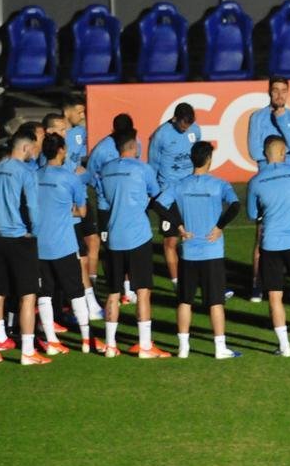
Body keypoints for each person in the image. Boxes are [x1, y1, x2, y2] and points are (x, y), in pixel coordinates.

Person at [0, 131, 50, 365]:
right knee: (27, 296)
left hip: (0, 239)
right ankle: (27, 352)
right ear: (25, 148)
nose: (35, 152)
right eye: (34, 148)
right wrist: (32, 229)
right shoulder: (26, 172)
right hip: (21, 240)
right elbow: (33, 207)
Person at [157, 141, 242, 359]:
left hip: (189, 253)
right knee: (216, 302)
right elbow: (235, 206)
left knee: (185, 301)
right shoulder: (219, 184)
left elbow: (158, 204)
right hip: (212, 252)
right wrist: (219, 227)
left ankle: (183, 348)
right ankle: (220, 347)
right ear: (209, 160)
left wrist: (179, 226)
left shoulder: (179, 185)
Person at [246, 135, 290, 357]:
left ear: (265, 155)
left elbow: (252, 213)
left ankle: (285, 346)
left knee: (275, 296)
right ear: (283, 152)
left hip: (271, 244)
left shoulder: (256, 181)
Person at [100, 129, 169, 358]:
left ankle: (110, 345)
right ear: (133, 146)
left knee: (112, 292)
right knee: (142, 291)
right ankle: (145, 345)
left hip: (114, 237)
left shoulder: (106, 170)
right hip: (138, 237)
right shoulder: (142, 168)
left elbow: (104, 201)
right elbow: (157, 195)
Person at [246, 76, 290, 302]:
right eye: (275, 91)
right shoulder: (258, 117)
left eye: (283, 91)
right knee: (262, 235)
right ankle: (257, 284)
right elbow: (254, 151)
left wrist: (282, 123)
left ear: (288, 93)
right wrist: (277, 161)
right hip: (269, 183)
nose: (279, 95)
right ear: (269, 93)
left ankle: (289, 282)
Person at [35, 133, 96, 355]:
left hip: (40, 246)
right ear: (61, 150)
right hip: (64, 245)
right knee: (76, 292)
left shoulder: (35, 175)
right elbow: (82, 211)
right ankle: (86, 339)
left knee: (45, 293)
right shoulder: (70, 178)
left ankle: (51, 340)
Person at [148, 102, 202, 287]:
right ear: (174, 119)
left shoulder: (195, 130)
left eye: (189, 124)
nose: (186, 128)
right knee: (171, 240)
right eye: (183, 125)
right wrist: (155, 193)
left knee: (194, 235)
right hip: (168, 193)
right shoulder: (161, 135)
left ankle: (199, 277)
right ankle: (177, 282)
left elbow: (198, 159)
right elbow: (153, 165)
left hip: (189, 191)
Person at [88, 113, 140, 304]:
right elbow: (92, 175)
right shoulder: (102, 150)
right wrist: (105, 192)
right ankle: (114, 288)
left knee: (131, 245)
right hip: (107, 207)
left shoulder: (135, 144)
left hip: (128, 206)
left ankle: (128, 289)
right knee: (110, 248)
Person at [62, 92, 103, 318]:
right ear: (66, 112)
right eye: (79, 112)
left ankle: (90, 291)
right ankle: (81, 299)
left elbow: (81, 168)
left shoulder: (80, 133)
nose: (83, 115)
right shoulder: (54, 139)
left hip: (81, 197)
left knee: (92, 242)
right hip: (66, 204)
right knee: (77, 253)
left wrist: (86, 176)